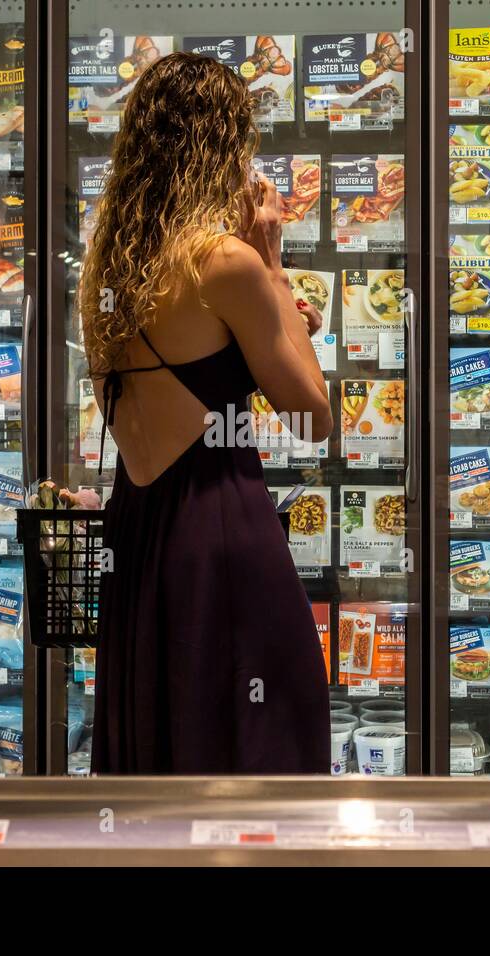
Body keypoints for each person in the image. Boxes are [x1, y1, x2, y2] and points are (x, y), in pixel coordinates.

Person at [78, 52, 332, 774]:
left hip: (140, 533)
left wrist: (269, 331)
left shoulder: (107, 265)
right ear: (223, 144)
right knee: (260, 734)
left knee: (160, 735)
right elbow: (314, 419)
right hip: (220, 529)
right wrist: (274, 268)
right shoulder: (226, 262)